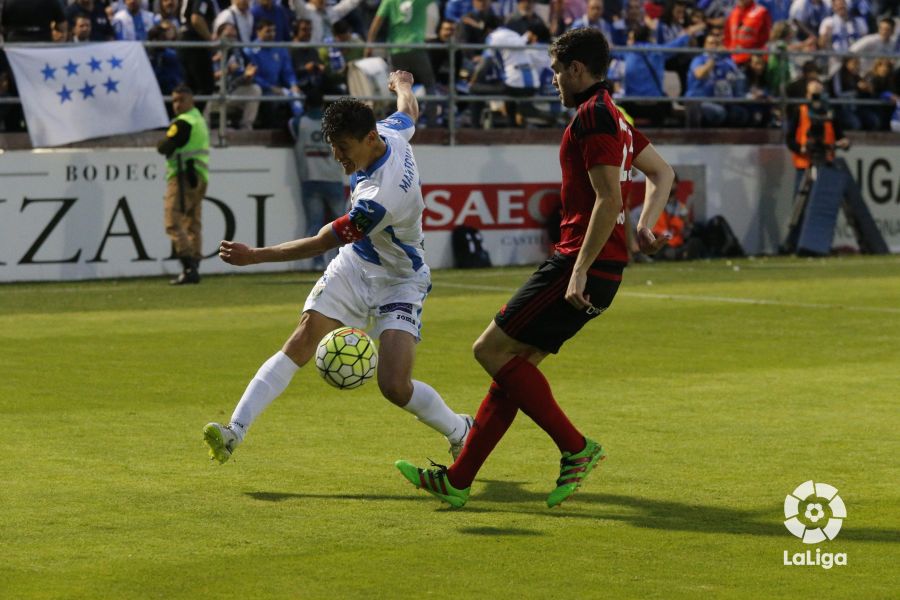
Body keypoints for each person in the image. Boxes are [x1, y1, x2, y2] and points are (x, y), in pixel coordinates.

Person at [395, 28, 675, 509]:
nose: (553, 81)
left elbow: (608, 200)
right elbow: (663, 173)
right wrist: (646, 226)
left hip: (579, 263)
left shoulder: (594, 117)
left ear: (577, 70)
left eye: (556, 71)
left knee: (488, 349)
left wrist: (580, 269)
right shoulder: (616, 115)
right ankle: (459, 480)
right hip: (598, 265)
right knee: (512, 370)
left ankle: (576, 448)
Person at [203, 71, 473, 466]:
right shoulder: (388, 132)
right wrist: (402, 86)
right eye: (333, 147)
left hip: (400, 279)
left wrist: (254, 256)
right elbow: (409, 113)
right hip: (356, 264)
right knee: (301, 339)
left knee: (395, 386)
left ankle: (460, 430)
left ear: (368, 140)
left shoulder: (378, 198)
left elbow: (318, 243)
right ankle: (234, 432)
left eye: (344, 148)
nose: (338, 158)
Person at [156, 85, 210, 286]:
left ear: (191, 101)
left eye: (181, 100)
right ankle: (195, 265)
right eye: (174, 101)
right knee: (192, 222)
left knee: (173, 221)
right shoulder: (199, 120)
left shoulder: (183, 123)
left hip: (182, 176)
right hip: (200, 176)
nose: (177, 105)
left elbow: (164, 147)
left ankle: (188, 267)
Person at [289, 87, 347, 270]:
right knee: (342, 225)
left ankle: (317, 262)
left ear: (306, 103)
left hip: (310, 180)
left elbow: (291, 124)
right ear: (323, 104)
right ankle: (342, 261)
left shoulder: (298, 123)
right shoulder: (336, 124)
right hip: (333, 178)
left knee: (315, 223)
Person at [786, 79, 851, 192]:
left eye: (819, 94)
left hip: (826, 161)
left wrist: (844, 142)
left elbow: (839, 135)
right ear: (807, 95)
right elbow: (789, 138)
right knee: (802, 201)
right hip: (805, 164)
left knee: (824, 201)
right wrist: (801, 148)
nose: (816, 98)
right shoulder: (800, 111)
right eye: (813, 94)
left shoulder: (830, 113)